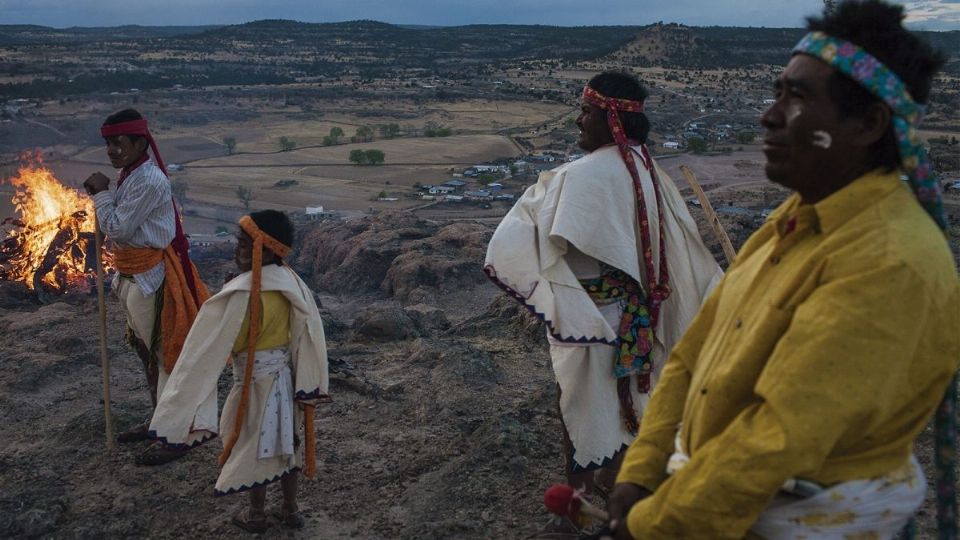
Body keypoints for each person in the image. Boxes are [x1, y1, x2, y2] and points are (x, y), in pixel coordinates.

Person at [604, 2, 959, 538]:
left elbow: (773, 439)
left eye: (797, 97)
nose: (769, 115)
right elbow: (691, 356)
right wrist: (641, 472)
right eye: (777, 92)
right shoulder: (793, 219)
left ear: (867, 124)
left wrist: (652, 524)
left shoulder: (889, 262)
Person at [484, 71, 722, 530]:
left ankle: (581, 503)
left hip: (593, 319)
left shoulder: (584, 176)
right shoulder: (649, 169)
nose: (578, 121)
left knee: (580, 405)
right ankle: (622, 496)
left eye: (586, 112)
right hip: (637, 320)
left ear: (610, 118)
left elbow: (532, 237)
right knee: (630, 405)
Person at [148, 209, 330, 533]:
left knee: (252, 446)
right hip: (285, 382)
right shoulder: (292, 284)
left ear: (268, 248)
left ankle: (256, 515)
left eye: (245, 245)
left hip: (254, 384)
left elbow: (219, 343)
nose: (237, 251)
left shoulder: (242, 294)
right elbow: (307, 335)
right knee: (288, 444)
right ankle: (290, 509)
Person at [83, 108, 210, 463]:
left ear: (140, 142)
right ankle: (159, 420)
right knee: (146, 352)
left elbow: (119, 228)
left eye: (118, 142)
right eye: (108, 143)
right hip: (132, 273)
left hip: (150, 276)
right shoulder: (131, 175)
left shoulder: (150, 180)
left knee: (164, 352)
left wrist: (100, 195)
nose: (111, 150)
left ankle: (177, 435)